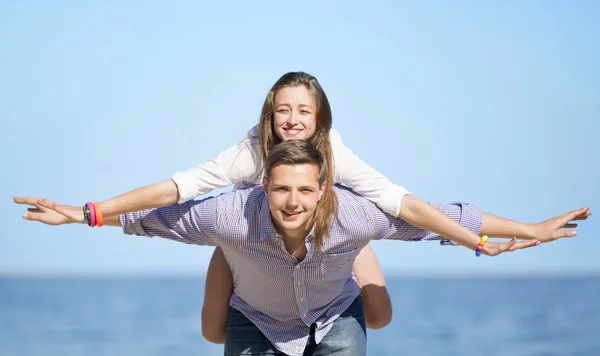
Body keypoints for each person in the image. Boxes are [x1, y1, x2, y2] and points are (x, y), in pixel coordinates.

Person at [14, 140, 590, 356]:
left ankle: (354, 252)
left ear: (322, 191)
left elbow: (449, 218)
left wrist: (529, 231)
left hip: (331, 311)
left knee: (381, 314)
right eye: (281, 189)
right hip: (257, 317)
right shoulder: (231, 211)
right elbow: (158, 216)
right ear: (265, 187)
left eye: (304, 191)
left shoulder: (354, 207)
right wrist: (81, 216)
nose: (292, 201)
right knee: (212, 328)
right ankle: (233, 257)